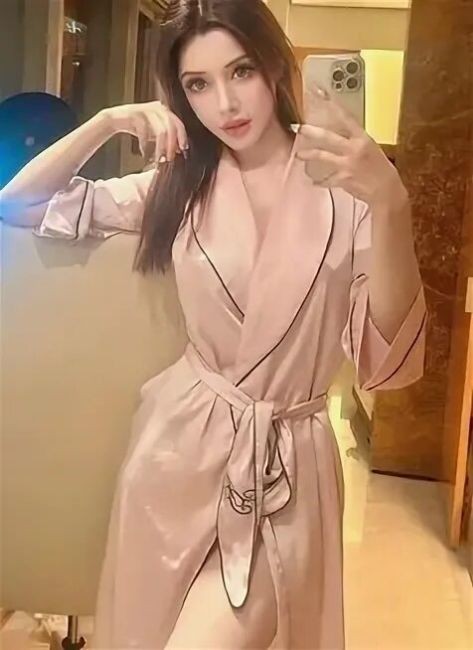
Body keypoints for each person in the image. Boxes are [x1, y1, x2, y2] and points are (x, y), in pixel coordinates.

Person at [0, 0, 427, 648]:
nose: (224, 103)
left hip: (287, 466)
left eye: (241, 71)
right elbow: (17, 203)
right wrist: (106, 122)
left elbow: (388, 357)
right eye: (198, 84)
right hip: (177, 455)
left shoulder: (351, 191)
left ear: (274, 65)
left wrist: (390, 203)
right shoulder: (177, 185)